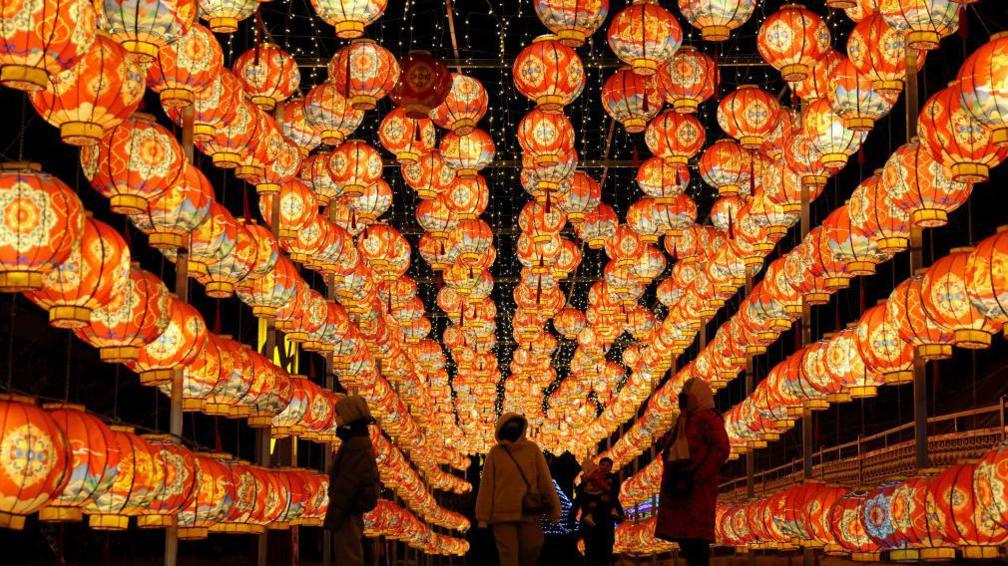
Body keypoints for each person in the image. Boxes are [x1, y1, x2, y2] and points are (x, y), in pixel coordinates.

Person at [654, 378, 730, 566]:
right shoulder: (683, 419)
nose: (684, 402)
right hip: (678, 485)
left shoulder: (709, 418)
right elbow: (672, 445)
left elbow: (721, 448)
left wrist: (700, 474)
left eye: (688, 398)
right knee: (685, 540)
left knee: (696, 540)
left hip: (696, 488)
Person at [475, 413, 561, 566]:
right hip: (502, 515)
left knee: (532, 549)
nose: (512, 429)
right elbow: (487, 485)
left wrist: (555, 510)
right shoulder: (495, 453)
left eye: (515, 426)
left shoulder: (532, 450)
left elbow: (545, 480)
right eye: (508, 426)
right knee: (508, 555)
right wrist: (482, 517)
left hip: (529, 512)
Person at [324, 395, 380, 566]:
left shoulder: (356, 444)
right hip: (349, 507)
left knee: (349, 554)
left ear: (349, 415)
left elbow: (348, 483)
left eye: (338, 414)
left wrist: (335, 514)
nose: (335, 418)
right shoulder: (354, 441)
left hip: (348, 509)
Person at [574, 457, 623, 566]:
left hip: (605, 520)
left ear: (611, 468)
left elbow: (613, 495)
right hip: (590, 521)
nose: (605, 467)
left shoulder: (613, 479)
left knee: (606, 548)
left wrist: (601, 500)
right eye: (603, 464)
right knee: (590, 548)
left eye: (608, 465)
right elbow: (581, 496)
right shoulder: (588, 479)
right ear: (599, 466)